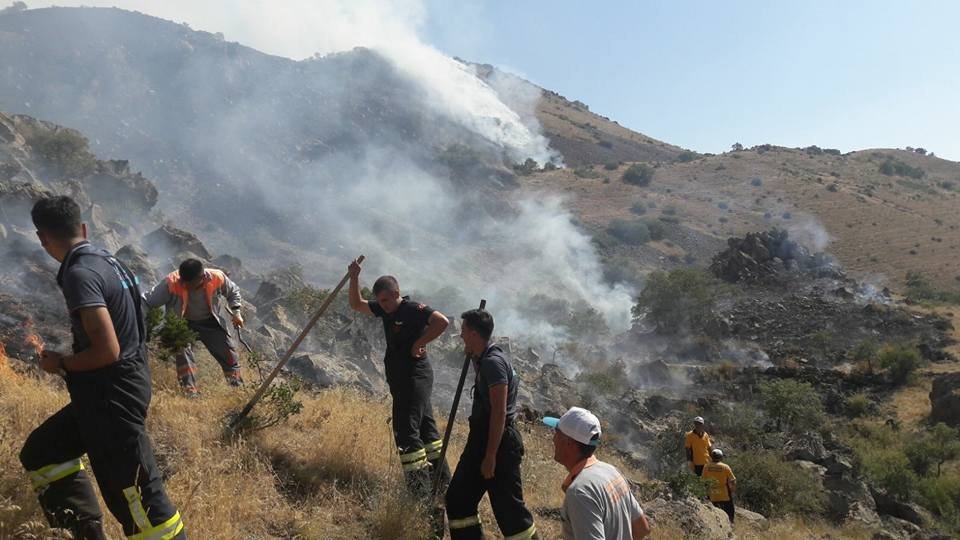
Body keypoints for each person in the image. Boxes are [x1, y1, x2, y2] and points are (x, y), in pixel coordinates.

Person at [20, 196, 184, 539]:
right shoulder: (109, 261)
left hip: (112, 399)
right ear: (82, 228)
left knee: (139, 501)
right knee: (43, 451)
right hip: (114, 389)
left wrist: (61, 363)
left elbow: (107, 350)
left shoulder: (80, 274)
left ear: (42, 238)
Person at [346, 259, 451, 496]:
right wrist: (353, 277)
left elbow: (441, 321)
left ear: (396, 294)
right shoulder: (386, 310)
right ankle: (442, 485)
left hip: (415, 377)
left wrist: (420, 342)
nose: (382, 306)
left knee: (406, 431)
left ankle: (419, 494)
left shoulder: (412, 309)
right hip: (402, 380)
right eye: (379, 301)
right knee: (427, 432)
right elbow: (356, 304)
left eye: (385, 300)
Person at [446, 308, 538, 540]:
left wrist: (490, 455)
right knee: (458, 499)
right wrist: (474, 355)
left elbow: (499, 413)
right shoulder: (485, 357)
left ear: (475, 334)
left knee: (510, 513)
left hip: (498, 444)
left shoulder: (493, 363)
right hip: (483, 440)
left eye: (464, 331)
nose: (461, 336)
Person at [544, 407, 650, 540]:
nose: (553, 439)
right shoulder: (611, 471)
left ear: (569, 443)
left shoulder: (580, 492)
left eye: (557, 433)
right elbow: (642, 529)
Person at [144, 258, 244, 396]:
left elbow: (233, 292)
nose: (184, 284)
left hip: (210, 322)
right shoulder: (171, 282)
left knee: (229, 354)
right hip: (183, 324)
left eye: (188, 282)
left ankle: (237, 388)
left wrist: (236, 313)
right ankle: (190, 392)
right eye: (183, 280)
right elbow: (147, 300)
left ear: (201, 277)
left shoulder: (216, 277)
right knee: (182, 352)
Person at [701, 449, 736, 523]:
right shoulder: (725, 467)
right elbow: (732, 480)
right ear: (721, 457)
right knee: (729, 511)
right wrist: (732, 489)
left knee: (715, 514)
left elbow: (703, 480)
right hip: (724, 494)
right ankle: (731, 524)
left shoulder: (706, 466)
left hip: (712, 494)